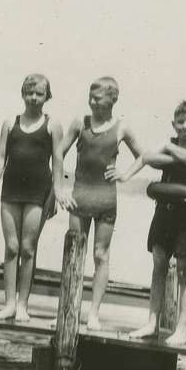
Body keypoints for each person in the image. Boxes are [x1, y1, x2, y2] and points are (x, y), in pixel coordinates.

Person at [112, 100, 186, 346]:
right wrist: (126, 174)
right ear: (173, 124)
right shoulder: (168, 144)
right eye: (181, 122)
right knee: (158, 267)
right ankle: (151, 323)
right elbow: (147, 156)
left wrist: (169, 148)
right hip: (163, 213)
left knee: (185, 271)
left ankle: (182, 330)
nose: (185, 127)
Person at [55, 77, 143, 330]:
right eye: (90, 97)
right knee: (74, 253)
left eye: (98, 98)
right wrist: (59, 187)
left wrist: (125, 174)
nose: (92, 102)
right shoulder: (79, 123)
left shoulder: (122, 128)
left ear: (113, 99)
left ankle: (94, 313)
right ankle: (67, 308)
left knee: (100, 255)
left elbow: (142, 156)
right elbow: (59, 152)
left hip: (106, 199)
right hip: (79, 197)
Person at [0, 74, 64, 322]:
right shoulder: (11, 122)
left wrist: (55, 195)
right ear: (22, 94)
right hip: (11, 190)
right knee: (11, 247)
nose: (33, 98)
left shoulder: (52, 125)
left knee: (28, 248)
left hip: (37, 193)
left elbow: (59, 163)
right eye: (29, 93)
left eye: (39, 93)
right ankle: (8, 303)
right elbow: (0, 158)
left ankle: (22, 306)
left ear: (46, 96)